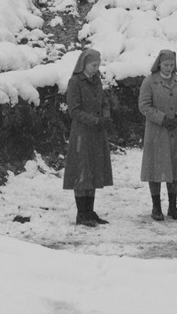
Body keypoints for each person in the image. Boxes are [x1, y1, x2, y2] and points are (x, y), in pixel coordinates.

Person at [139, 49, 177, 221]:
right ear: (159, 64)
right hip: (156, 132)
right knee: (155, 168)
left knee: (174, 168)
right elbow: (144, 105)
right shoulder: (149, 82)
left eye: (172, 65)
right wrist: (162, 119)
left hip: (175, 131)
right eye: (166, 65)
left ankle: (172, 206)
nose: (169, 68)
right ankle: (156, 207)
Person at [63, 48, 113, 227]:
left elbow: (104, 102)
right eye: (93, 65)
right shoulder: (75, 82)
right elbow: (74, 110)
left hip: (97, 133)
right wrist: (94, 120)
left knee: (93, 170)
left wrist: (106, 116)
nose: (96, 68)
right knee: (82, 171)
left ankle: (90, 211)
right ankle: (81, 213)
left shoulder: (96, 80)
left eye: (98, 65)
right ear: (84, 64)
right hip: (82, 133)